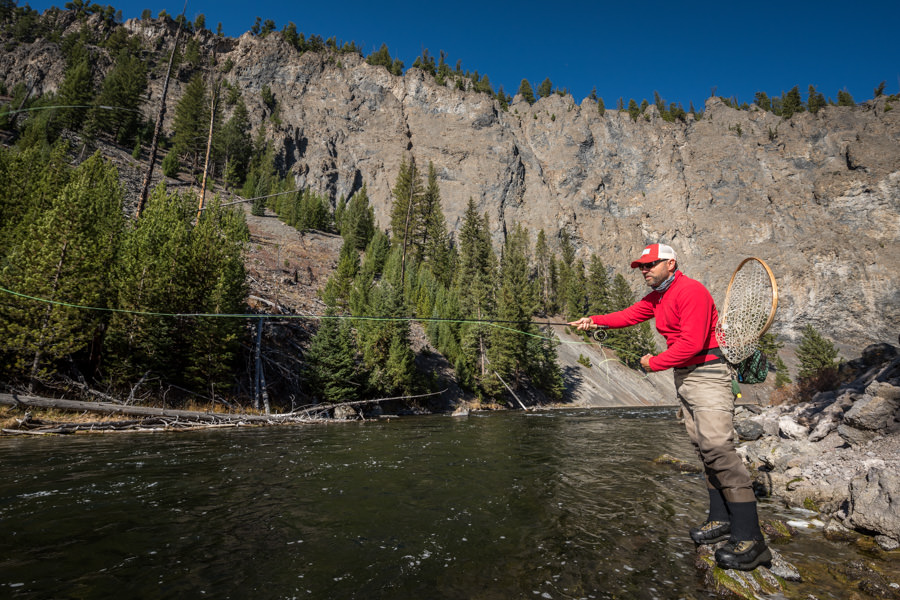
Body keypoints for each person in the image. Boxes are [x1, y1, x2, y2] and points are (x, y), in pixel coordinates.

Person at [569, 243, 771, 571]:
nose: (644, 270)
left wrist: (654, 363)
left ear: (671, 263)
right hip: (687, 377)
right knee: (705, 451)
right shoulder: (659, 296)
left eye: (651, 264)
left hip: (708, 374)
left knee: (720, 450)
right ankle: (720, 521)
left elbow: (692, 343)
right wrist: (594, 321)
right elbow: (630, 315)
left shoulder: (691, 292)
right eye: (641, 266)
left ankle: (752, 539)